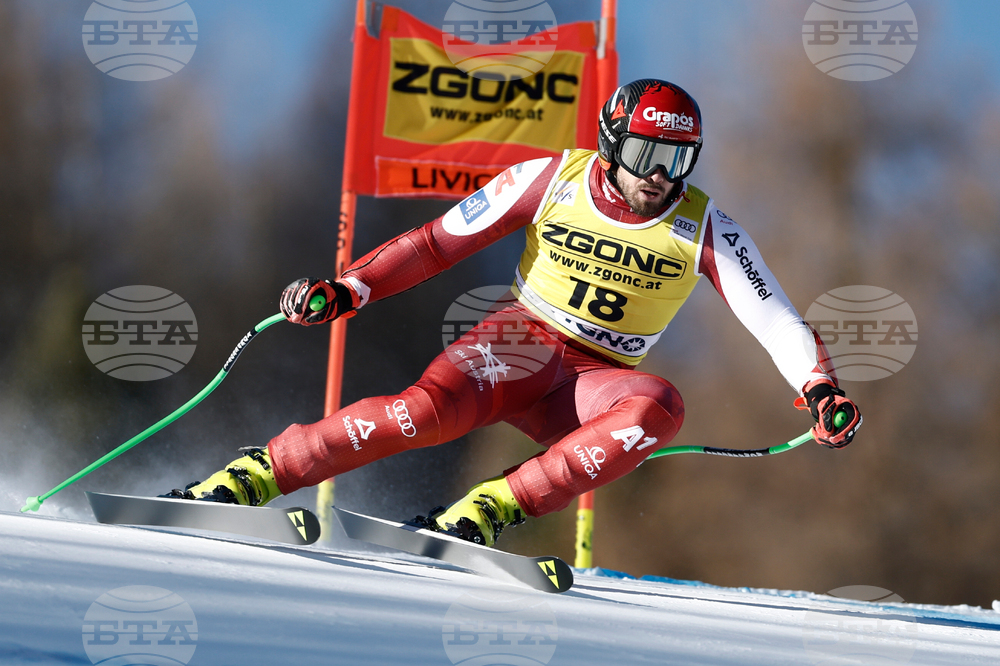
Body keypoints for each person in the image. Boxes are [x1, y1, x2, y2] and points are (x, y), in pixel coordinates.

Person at [166, 79, 862, 548]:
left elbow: (773, 317)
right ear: (614, 144)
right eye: (648, 154)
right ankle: (255, 474)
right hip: (515, 348)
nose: (661, 175)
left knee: (659, 409)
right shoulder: (551, 178)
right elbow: (438, 243)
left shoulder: (705, 226)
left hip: (593, 382)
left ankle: (490, 507)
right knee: (417, 417)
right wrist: (353, 290)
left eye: (678, 158)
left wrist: (819, 388)